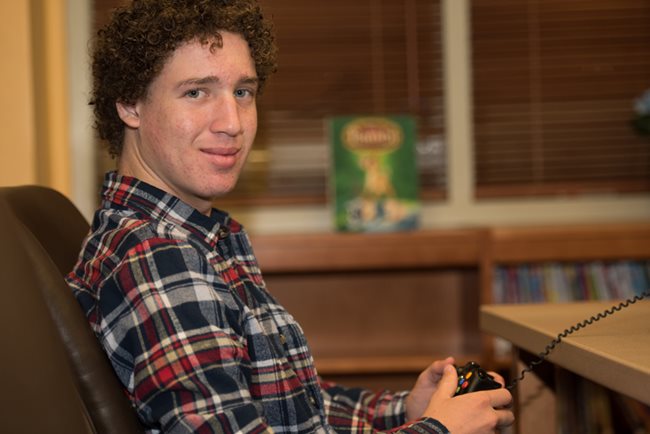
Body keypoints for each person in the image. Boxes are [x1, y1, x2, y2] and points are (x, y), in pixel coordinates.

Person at [66, 0, 514, 433]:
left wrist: (403, 410)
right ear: (130, 105)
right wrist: (439, 431)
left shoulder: (195, 235)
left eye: (243, 92)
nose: (233, 122)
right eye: (196, 92)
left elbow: (286, 402)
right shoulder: (158, 256)